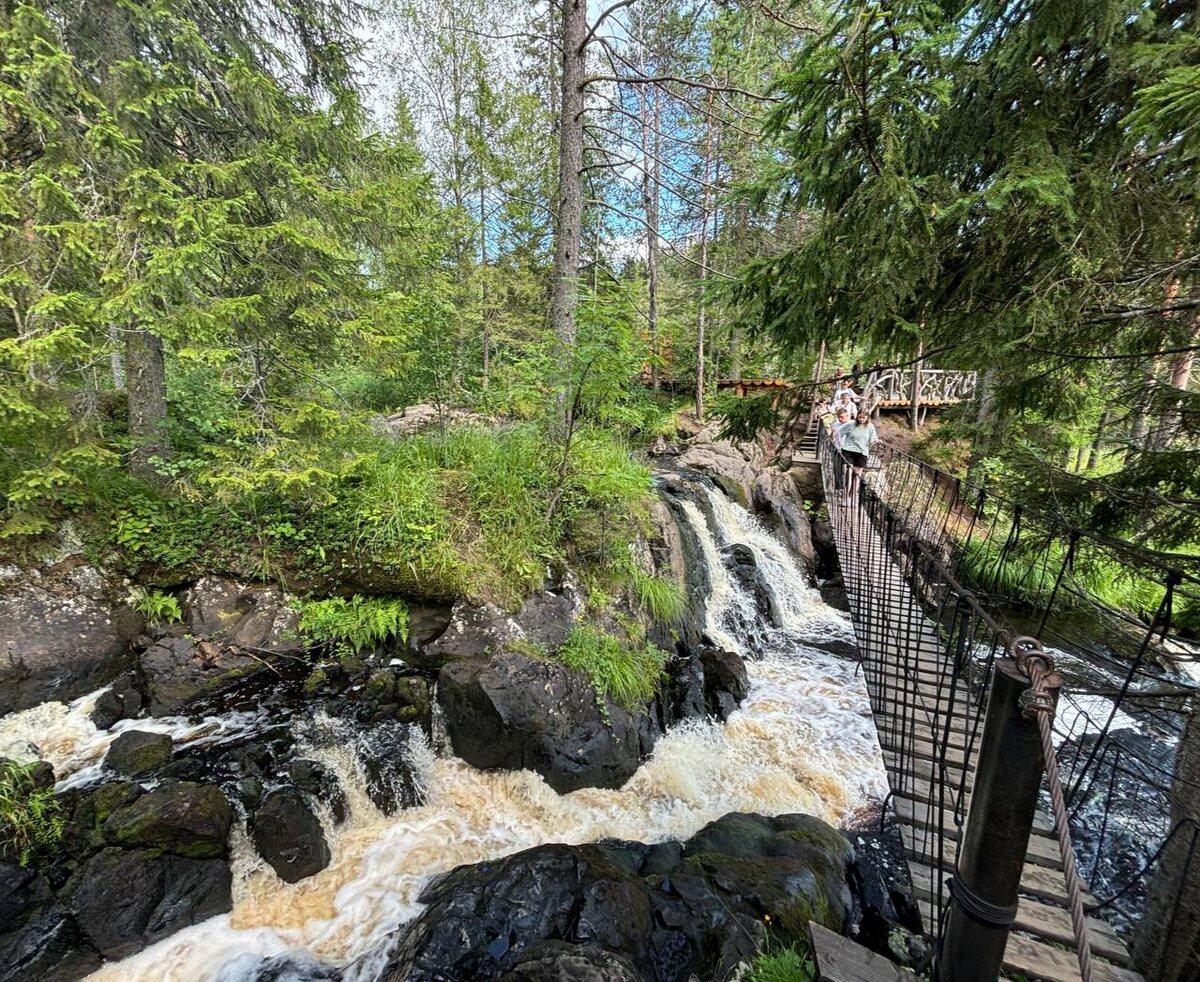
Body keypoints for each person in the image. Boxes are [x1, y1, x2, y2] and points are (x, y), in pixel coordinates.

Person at [838, 409, 877, 504]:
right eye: (860, 417)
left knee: (857, 475)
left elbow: (871, 440)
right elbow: (839, 433)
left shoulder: (870, 427)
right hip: (848, 450)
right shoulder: (851, 425)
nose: (861, 419)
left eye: (864, 418)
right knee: (849, 472)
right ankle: (846, 496)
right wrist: (838, 444)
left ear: (867, 417)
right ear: (857, 416)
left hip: (862, 452)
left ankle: (852, 497)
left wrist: (875, 442)